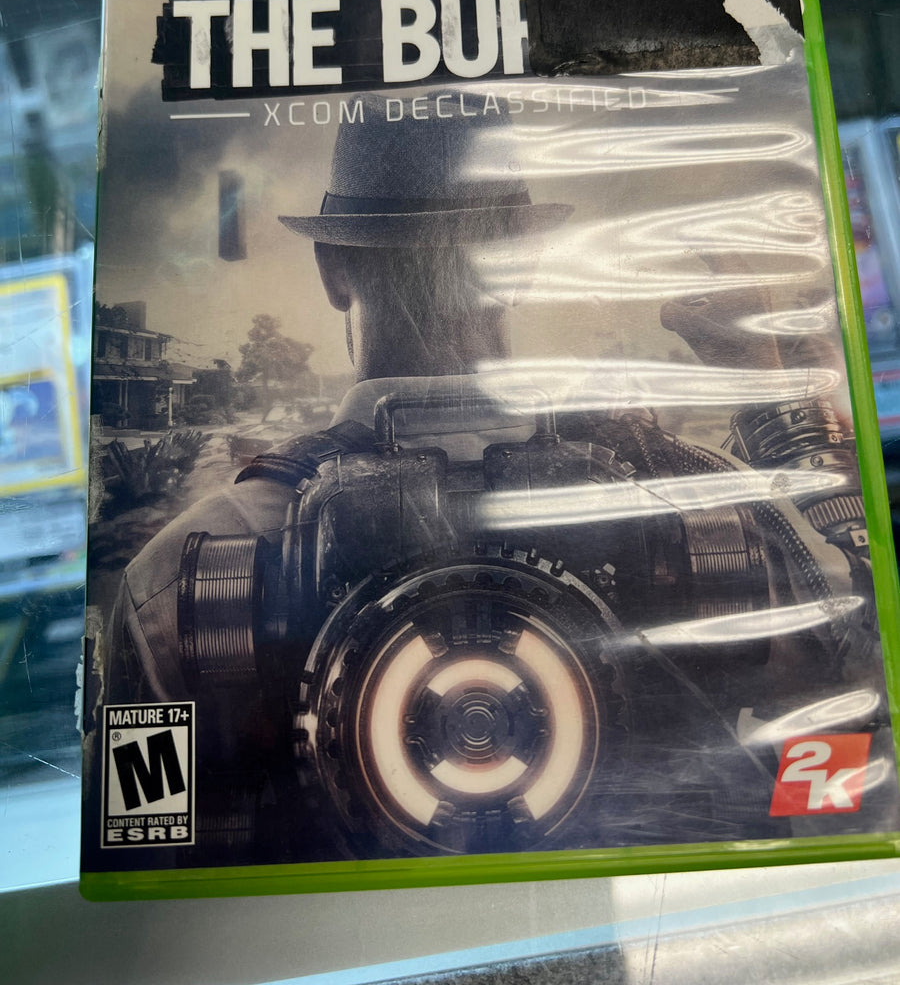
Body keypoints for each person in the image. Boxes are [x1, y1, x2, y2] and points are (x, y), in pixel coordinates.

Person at [91, 90, 876, 863]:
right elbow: (859, 733)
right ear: (522, 265)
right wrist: (785, 415)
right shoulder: (696, 514)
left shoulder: (185, 574)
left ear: (333, 270)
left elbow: (143, 849)